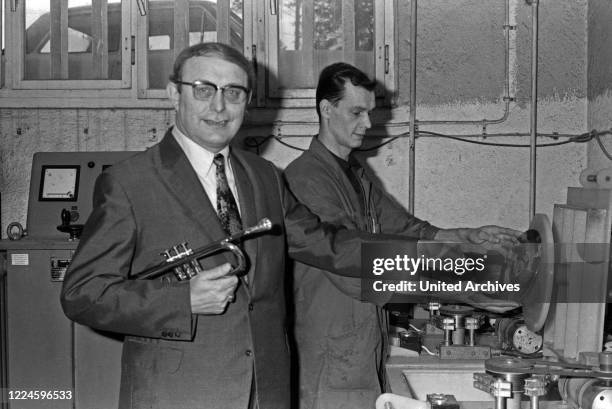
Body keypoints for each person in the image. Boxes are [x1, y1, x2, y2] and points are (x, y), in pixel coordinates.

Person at [60, 43, 518, 409]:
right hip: (182, 390)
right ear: (172, 93)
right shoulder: (129, 182)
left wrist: (453, 265)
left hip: (269, 388)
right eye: (204, 89)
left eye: (234, 93)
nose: (220, 107)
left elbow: (330, 245)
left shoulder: (263, 177)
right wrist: (181, 300)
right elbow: (83, 293)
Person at [283, 62, 520, 409]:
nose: (367, 124)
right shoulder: (307, 179)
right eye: (356, 112)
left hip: (361, 347)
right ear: (326, 109)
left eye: (370, 113)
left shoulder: (354, 174)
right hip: (330, 354)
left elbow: (409, 230)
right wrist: (466, 288)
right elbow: (353, 267)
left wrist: (469, 236)